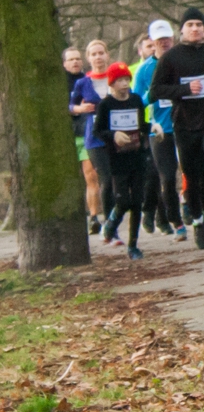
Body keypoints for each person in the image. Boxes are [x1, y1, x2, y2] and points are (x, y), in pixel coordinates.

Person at [150, 8, 204, 248]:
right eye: (190, 25)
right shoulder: (171, 57)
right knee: (192, 175)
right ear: (182, 30)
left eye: (199, 25)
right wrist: (185, 90)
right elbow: (155, 91)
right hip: (184, 122)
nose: (195, 29)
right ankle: (198, 219)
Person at [92, 62, 152, 260]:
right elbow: (98, 131)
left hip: (137, 156)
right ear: (111, 83)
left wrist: (153, 128)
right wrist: (114, 134)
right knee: (123, 200)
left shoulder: (135, 100)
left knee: (137, 202)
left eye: (127, 79)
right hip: (117, 159)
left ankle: (133, 245)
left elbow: (141, 124)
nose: (125, 84)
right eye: (120, 81)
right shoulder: (106, 105)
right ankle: (110, 224)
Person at [133, 20, 181, 239]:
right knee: (166, 176)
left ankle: (193, 216)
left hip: (186, 124)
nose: (164, 42)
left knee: (194, 173)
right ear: (152, 42)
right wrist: (152, 95)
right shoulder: (144, 69)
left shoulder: (182, 61)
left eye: (167, 38)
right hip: (159, 130)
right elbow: (136, 102)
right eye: (159, 39)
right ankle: (171, 218)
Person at [71, 40, 116, 242]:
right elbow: (70, 106)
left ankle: (116, 218)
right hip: (94, 137)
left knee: (119, 179)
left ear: (107, 55)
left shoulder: (116, 78)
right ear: (88, 58)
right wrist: (80, 109)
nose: (98, 57)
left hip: (118, 135)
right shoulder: (82, 83)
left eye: (101, 53)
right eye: (94, 54)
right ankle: (109, 224)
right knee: (105, 179)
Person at [64, 46, 99, 234]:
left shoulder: (88, 81)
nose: (75, 62)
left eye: (77, 58)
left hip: (86, 133)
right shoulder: (57, 83)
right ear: (64, 63)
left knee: (90, 175)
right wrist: (76, 109)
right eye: (71, 59)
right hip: (65, 136)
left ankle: (94, 217)